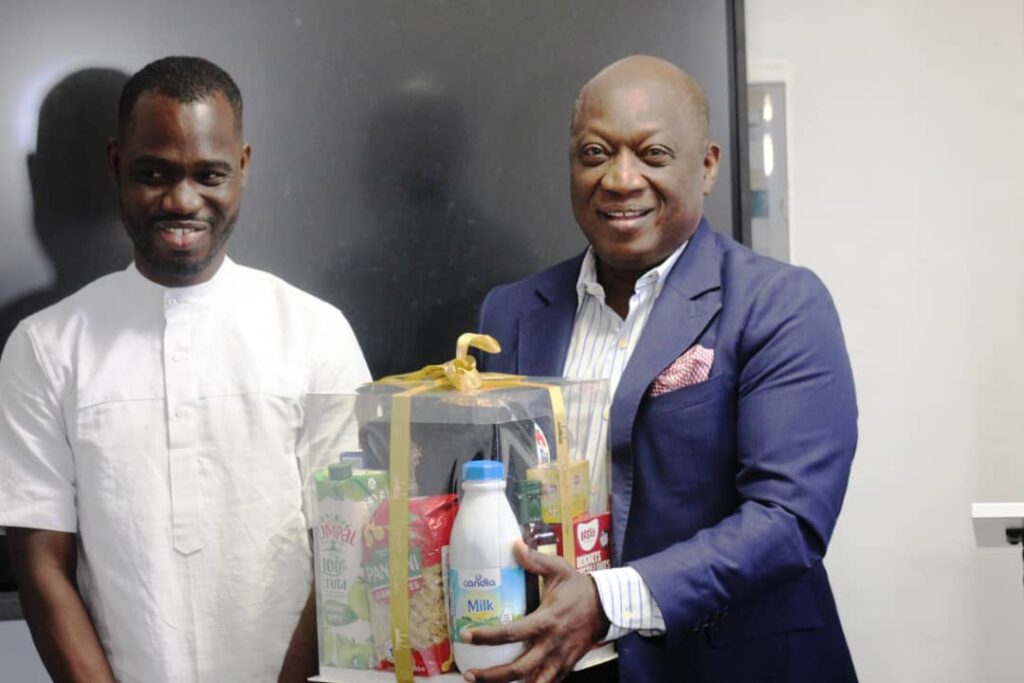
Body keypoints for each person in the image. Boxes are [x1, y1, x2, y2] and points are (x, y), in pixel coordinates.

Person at [469, 55, 858, 682]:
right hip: (552, 667)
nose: (621, 179)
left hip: (730, 667)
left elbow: (788, 520)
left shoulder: (780, 304)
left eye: (652, 154)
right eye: (595, 153)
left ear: (706, 166)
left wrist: (606, 601)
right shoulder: (510, 313)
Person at [0, 56, 370, 682]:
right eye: (154, 173)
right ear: (116, 164)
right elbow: (42, 567)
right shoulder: (44, 348)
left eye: (209, 174)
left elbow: (348, 541)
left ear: (243, 167)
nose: (182, 200)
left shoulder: (316, 333)